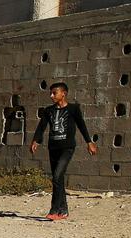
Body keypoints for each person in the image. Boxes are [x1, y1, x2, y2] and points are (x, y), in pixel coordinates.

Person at [30, 82, 96, 221]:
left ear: (63, 93)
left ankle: (54, 209)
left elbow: (81, 125)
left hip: (67, 147)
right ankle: (63, 210)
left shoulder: (73, 109)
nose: (51, 95)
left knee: (57, 176)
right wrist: (36, 140)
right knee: (58, 179)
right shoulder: (49, 110)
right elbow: (41, 127)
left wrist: (89, 142)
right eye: (51, 93)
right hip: (53, 147)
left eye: (54, 93)